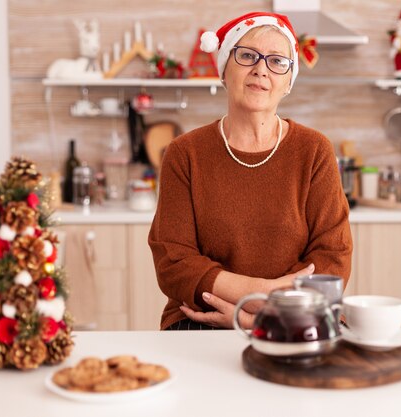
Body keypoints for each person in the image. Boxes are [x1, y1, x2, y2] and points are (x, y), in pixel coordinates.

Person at [148, 12, 353, 331]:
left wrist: (259, 315)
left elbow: (333, 256)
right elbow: (173, 261)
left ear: (288, 82)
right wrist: (254, 293)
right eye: (247, 55)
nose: (261, 69)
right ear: (224, 71)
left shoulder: (314, 151)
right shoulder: (185, 153)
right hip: (206, 315)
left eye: (277, 61)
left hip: (298, 313)